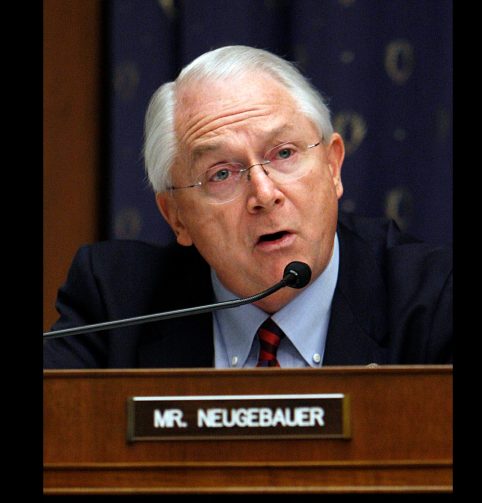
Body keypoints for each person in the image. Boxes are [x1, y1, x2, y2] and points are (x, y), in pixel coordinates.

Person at [43, 45, 452, 369]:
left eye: (285, 153)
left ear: (332, 167)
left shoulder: (435, 300)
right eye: (222, 174)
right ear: (176, 217)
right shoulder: (114, 307)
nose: (264, 194)